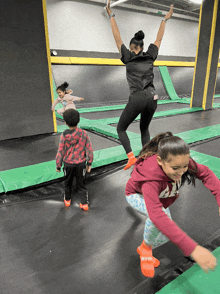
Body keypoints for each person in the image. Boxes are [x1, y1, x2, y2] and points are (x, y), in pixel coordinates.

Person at [125, 132, 219, 277]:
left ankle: (146, 246)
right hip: (136, 195)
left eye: (184, 167)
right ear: (160, 161)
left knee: (165, 235)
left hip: (161, 199)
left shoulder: (181, 163)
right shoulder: (151, 180)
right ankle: (145, 248)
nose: (181, 172)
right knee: (158, 220)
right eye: (175, 168)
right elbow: (156, 215)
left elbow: (205, 173)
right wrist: (193, 249)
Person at [105, 1, 173, 170]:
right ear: (142, 47)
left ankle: (131, 158)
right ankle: (148, 159)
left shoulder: (128, 57)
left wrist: (111, 15)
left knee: (121, 128)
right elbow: (159, 38)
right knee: (144, 128)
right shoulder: (150, 55)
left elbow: (116, 36)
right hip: (153, 98)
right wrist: (165, 19)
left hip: (137, 98)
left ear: (131, 48)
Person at [56, 109, 93, 210]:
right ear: (79, 120)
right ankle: (84, 203)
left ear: (65, 122)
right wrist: (89, 163)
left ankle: (67, 200)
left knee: (67, 183)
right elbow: (89, 149)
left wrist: (58, 165)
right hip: (81, 164)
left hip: (68, 164)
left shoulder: (64, 135)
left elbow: (60, 151)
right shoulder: (84, 134)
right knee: (81, 184)